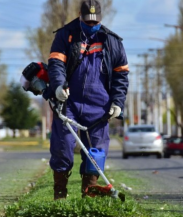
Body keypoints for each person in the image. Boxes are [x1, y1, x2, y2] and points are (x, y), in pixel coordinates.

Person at [47, 0, 129, 200]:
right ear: (80, 16)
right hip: (68, 104)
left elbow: (121, 75)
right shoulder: (65, 35)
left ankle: (88, 198)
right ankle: (60, 195)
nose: (91, 26)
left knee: (96, 154)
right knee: (62, 148)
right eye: (88, 21)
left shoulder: (112, 42)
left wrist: (117, 102)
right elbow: (56, 64)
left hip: (99, 108)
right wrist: (58, 86)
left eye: (95, 22)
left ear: (101, 19)